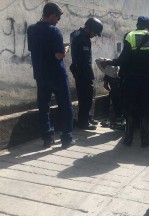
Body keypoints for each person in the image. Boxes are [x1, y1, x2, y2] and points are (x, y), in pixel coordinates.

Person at [101, 16, 149, 147]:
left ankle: (128, 138)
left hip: (130, 80)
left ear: (137, 24)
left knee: (130, 108)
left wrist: (108, 62)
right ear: (148, 26)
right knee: (145, 109)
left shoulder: (130, 36)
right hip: (147, 81)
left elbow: (122, 60)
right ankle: (144, 139)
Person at [27, 2, 74, 148]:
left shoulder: (31, 30)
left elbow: (33, 50)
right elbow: (58, 55)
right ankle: (67, 138)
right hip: (57, 75)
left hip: (40, 74)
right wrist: (66, 49)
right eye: (57, 16)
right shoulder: (54, 31)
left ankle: (47, 138)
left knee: (44, 106)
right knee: (65, 106)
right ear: (51, 15)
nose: (58, 20)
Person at [70, 17, 103, 130]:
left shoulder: (76, 34)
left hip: (79, 71)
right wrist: (89, 76)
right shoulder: (82, 38)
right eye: (95, 32)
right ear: (90, 29)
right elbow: (84, 61)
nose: (94, 35)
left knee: (85, 97)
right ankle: (83, 122)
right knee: (86, 97)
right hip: (83, 72)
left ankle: (86, 117)